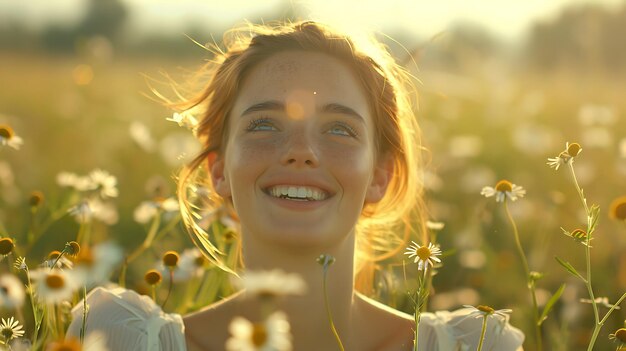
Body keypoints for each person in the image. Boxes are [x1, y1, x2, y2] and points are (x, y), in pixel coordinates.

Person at [68, 20, 524, 350]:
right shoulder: (121, 337)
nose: (301, 151)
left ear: (380, 175)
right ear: (218, 168)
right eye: (264, 124)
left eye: (340, 129)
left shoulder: (478, 345)